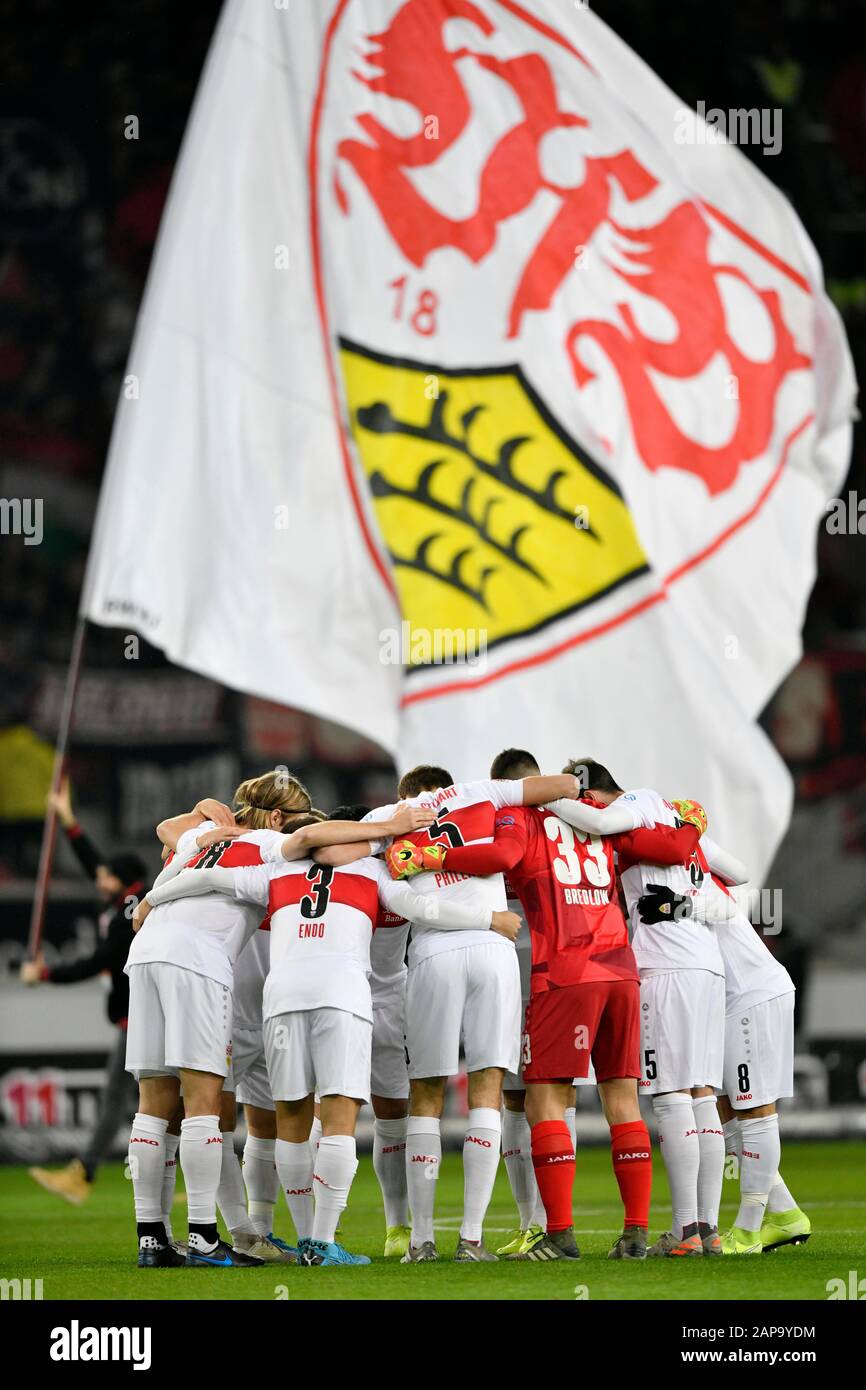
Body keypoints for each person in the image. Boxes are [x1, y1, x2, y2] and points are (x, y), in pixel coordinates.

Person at [136, 809, 520, 1266]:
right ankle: (322, 1242)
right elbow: (423, 908)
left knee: (292, 1121)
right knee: (338, 1117)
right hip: (342, 996)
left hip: (281, 998)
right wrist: (488, 918)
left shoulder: (275, 871)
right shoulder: (375, 869)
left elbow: (209, 880)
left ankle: (301, 1239)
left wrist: (150, 900)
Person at [390, 750, 703, 1261]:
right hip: (621, 968)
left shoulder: (519, 816)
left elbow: (506, 858)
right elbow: (663, 847)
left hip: (565, 973)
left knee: (544, 1099)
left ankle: (557, 1233)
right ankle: (635, 1232)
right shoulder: (597, 820)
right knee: (622, 1099)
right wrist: (689, 823)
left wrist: (435, 859)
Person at [126, 770, 425, 1268]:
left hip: (148, 953)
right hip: (209, 968)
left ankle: (154, 1236)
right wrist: (391, 827)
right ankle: (208, 1235)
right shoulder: (271, 850)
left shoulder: (204, 837)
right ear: (280, 817)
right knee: (209, 1107)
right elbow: (313, 840)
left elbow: (167, 831)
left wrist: (201, 816)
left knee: (155, 1104)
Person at [355, 764, 587, 1262]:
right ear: (446, 784)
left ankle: (420, 1241)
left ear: (406, 795)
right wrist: (575, 784)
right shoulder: (481, 794)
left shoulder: (391, 820)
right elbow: (560, 787)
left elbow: (406, 901)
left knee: (426, 1092)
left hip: (434, 954)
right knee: (489, 1087)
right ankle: (472, 1239)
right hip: (493, 950)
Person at [548, 762, 727, 1258]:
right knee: (701, 1095)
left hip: (666, 966)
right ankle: (705, 1229)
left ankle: (686, 1232)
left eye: (581, 796)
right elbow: (739, 875)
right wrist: (691, 832)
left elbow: (604, 824)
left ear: (592, 790)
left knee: (671, 1096)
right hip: (707, 964)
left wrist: (545, 796)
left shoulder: (635, 803)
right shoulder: (671, 820)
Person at [638, 826, 808, 1255]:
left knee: (755, 1111)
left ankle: (750, 1228)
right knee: (724, 1108)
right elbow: (739, 873)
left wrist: (680, 900)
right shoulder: (690, 868)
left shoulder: (690, 879)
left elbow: (727, 896)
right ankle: (785, 1214)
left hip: (751, 993)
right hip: (729, 997)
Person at [22, 778, 146, 1206]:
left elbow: (99, 962)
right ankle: (202, 1173)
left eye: (107, 875)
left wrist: (46, 975)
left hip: (141, 1014)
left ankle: (84, 1172)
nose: (98, 878)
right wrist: (69, 820)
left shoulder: (131, 911)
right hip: (136, 1014)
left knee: (120, 1099)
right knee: (157, 1102)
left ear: (123, 880)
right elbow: (96, 861)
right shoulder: (124, 901)